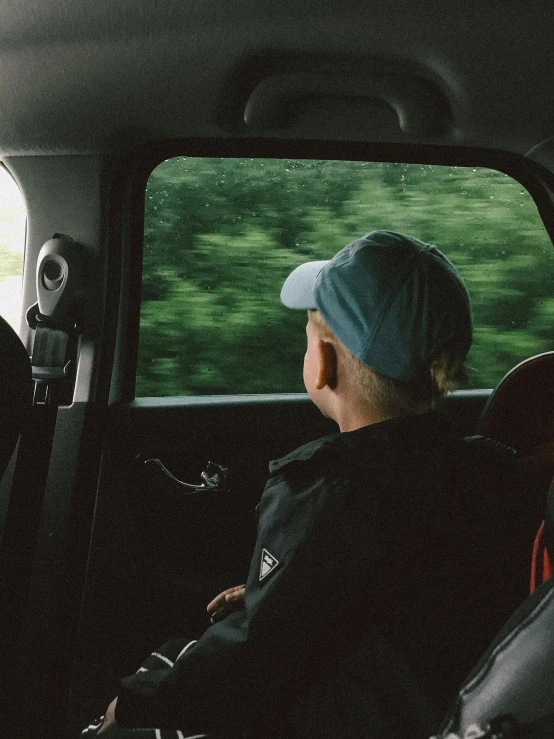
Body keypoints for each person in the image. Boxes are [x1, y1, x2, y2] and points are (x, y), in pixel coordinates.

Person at [85, 230, 531, 739]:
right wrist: (277, 592)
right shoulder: (486, 471)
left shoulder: (329, 491)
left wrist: (137, 703)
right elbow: (393, 596)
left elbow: (258, 655)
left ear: (324, 363)